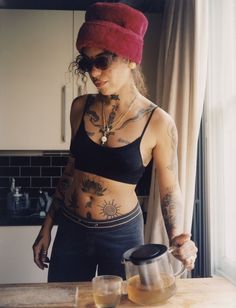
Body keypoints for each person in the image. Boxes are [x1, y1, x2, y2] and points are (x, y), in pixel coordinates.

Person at [32, 2, 198, 282]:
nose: (94, 73)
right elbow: (70, 172)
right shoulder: (79, 107)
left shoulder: (158, 122)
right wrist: (47, 225)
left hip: (122, 235)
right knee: (63, 300)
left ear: (131, 59)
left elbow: (170, 191)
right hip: (72, 230)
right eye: (87, 62)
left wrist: (178, 239)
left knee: (124, 301)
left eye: (103, 61)